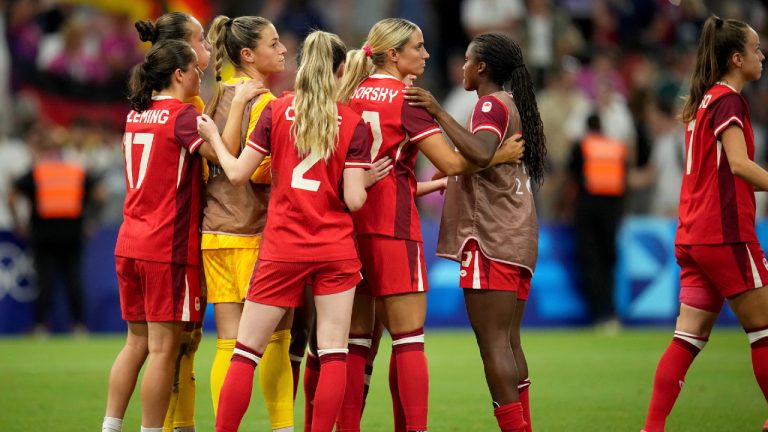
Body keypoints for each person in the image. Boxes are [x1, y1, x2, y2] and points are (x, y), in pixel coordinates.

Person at [335, 18, 523, 432]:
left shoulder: (348, 92)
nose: (426, 54)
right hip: (394, 228)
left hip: (349, 227)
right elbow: (456, 162)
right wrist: (501, 156)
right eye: (418, 47)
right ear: (392, 55)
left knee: (355, 344)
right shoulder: (407, 98)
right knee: (408, 339)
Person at [196, 29, 370, 432]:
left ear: (302, 66)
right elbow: (356, 200)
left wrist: (213, 140)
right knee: (333, 351)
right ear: (340, 71)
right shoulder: (353, 123)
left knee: (246, 351)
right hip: (334, 250)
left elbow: (238, 173)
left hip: (282, 248)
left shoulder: (279, 110)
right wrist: (366, 177)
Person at [405, 32, 546, 432]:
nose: (462, 68)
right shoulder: (512, 103)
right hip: (518, 234)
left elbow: (481, 152)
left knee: (494, 344)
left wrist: (436, 111)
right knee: (510, 341)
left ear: (481, 67)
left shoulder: (486, 104)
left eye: (468, 61)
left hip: (490, 235)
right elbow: (489, 159)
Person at [132, 13, 260, 432]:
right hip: (180, 237)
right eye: (200, 41)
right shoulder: (187, 110)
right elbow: (230, 157)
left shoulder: (147, 106)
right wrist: (239, 107)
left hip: (151, 235)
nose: (207, 51)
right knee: (174, 345)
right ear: (182, 63)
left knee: (169, 345)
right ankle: (171, 425)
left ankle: (169, 424)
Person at [641, 15, 768, 432]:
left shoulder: (703, 101)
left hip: (693, 236)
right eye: (755, 49)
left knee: (688, 337)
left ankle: (652, 427)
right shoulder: (729, 101)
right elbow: (739, 165)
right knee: (764, 331)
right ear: (736, 58)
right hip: (724, 234)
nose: (762, 55)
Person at [102, 39, 216, 432]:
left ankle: (110, 426)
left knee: (135, 344)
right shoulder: (183, 116)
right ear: (179, 74)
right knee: (163, 349)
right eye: (197, 69)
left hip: (129, 240)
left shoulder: (136, 115)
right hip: (166, 246)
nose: (202, 74)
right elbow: (225, 156)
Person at [203, 15, 295, 432]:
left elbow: (211, 155)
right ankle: (283, 428)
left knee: (227, 343)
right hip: (255, 233)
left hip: (215, 230)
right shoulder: (265, 103)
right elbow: (258, 172)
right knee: (275, 341)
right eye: (273, 44)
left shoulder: (218, 93)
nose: (282, 50)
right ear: (247, 54)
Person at [8, 120, 101, 336]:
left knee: (45, 282)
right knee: (73, 281)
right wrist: (90, 219)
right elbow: (100, 193)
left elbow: (12, 197)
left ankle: (40, 327)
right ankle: (78, 327)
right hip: (72, 234)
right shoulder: (75, 171)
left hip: (43, 235)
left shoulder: (38, 171)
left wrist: (19, 223)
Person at [566, 113, 628, 330]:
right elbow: (624, 179)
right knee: (609, 262)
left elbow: (572, 177)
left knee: (591, 262)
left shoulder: (582, 147)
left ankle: (599, 315)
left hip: (588, 210)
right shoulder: (616, 147)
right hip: (612, 211)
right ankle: (611, 312)